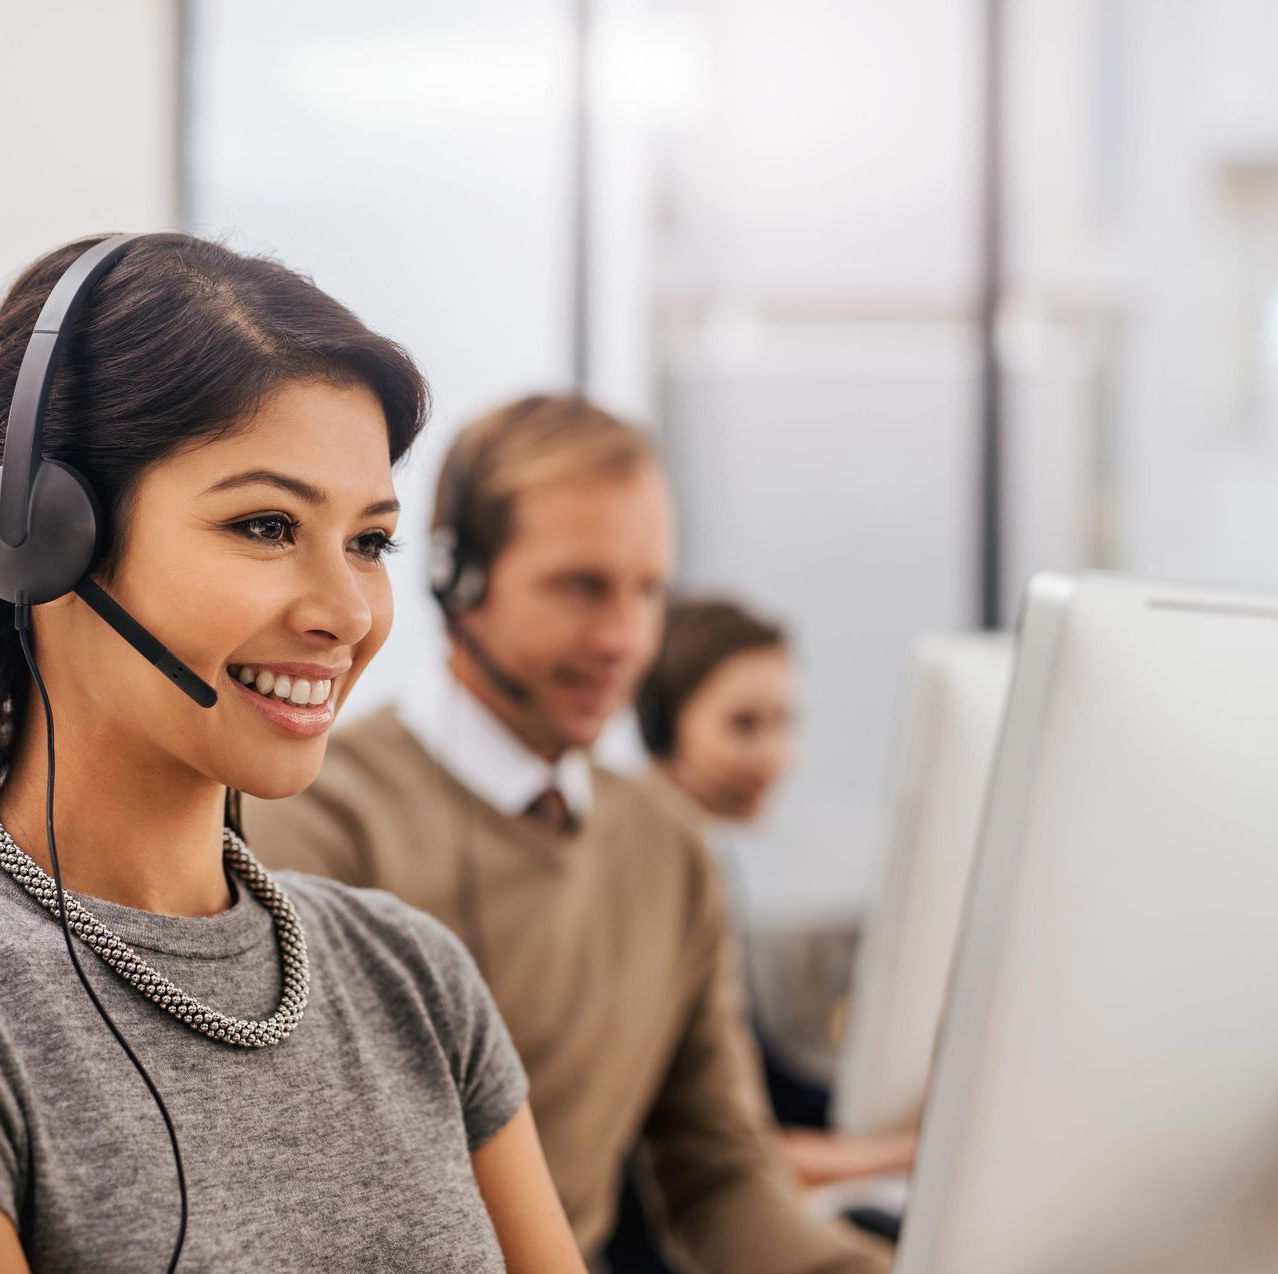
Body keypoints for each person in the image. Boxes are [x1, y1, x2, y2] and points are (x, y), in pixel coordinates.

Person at [0, 234, 585, 1274]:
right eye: (266, 525)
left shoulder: (414, 977)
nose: (348, 613)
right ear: (43, 538)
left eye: (368, 541)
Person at [245, 394, 888, 1273]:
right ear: (457, 580)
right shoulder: (311, 822)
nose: (624, 638)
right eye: (581, 587)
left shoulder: (668, 847)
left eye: (648, 591)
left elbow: (719, 1174)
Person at [636, 598, 917, 1191]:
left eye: (786, 723)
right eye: (744, 725)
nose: (777, 755)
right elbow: (712, 1147)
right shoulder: (641, 885)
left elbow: (768, 1088)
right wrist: (900, 1154)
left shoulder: (706, 859)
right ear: (660, 722)